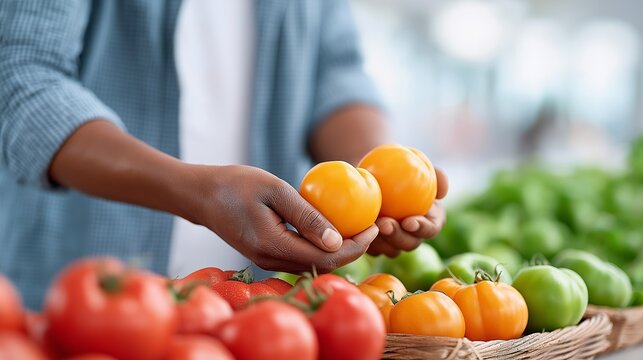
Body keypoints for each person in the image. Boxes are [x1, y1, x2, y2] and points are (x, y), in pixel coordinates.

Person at [0, 0, 447, 309]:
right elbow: (22, 79)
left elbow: (336, 72)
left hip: (253, 312)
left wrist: (380, 182)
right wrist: (197, 193)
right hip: (78, 295)